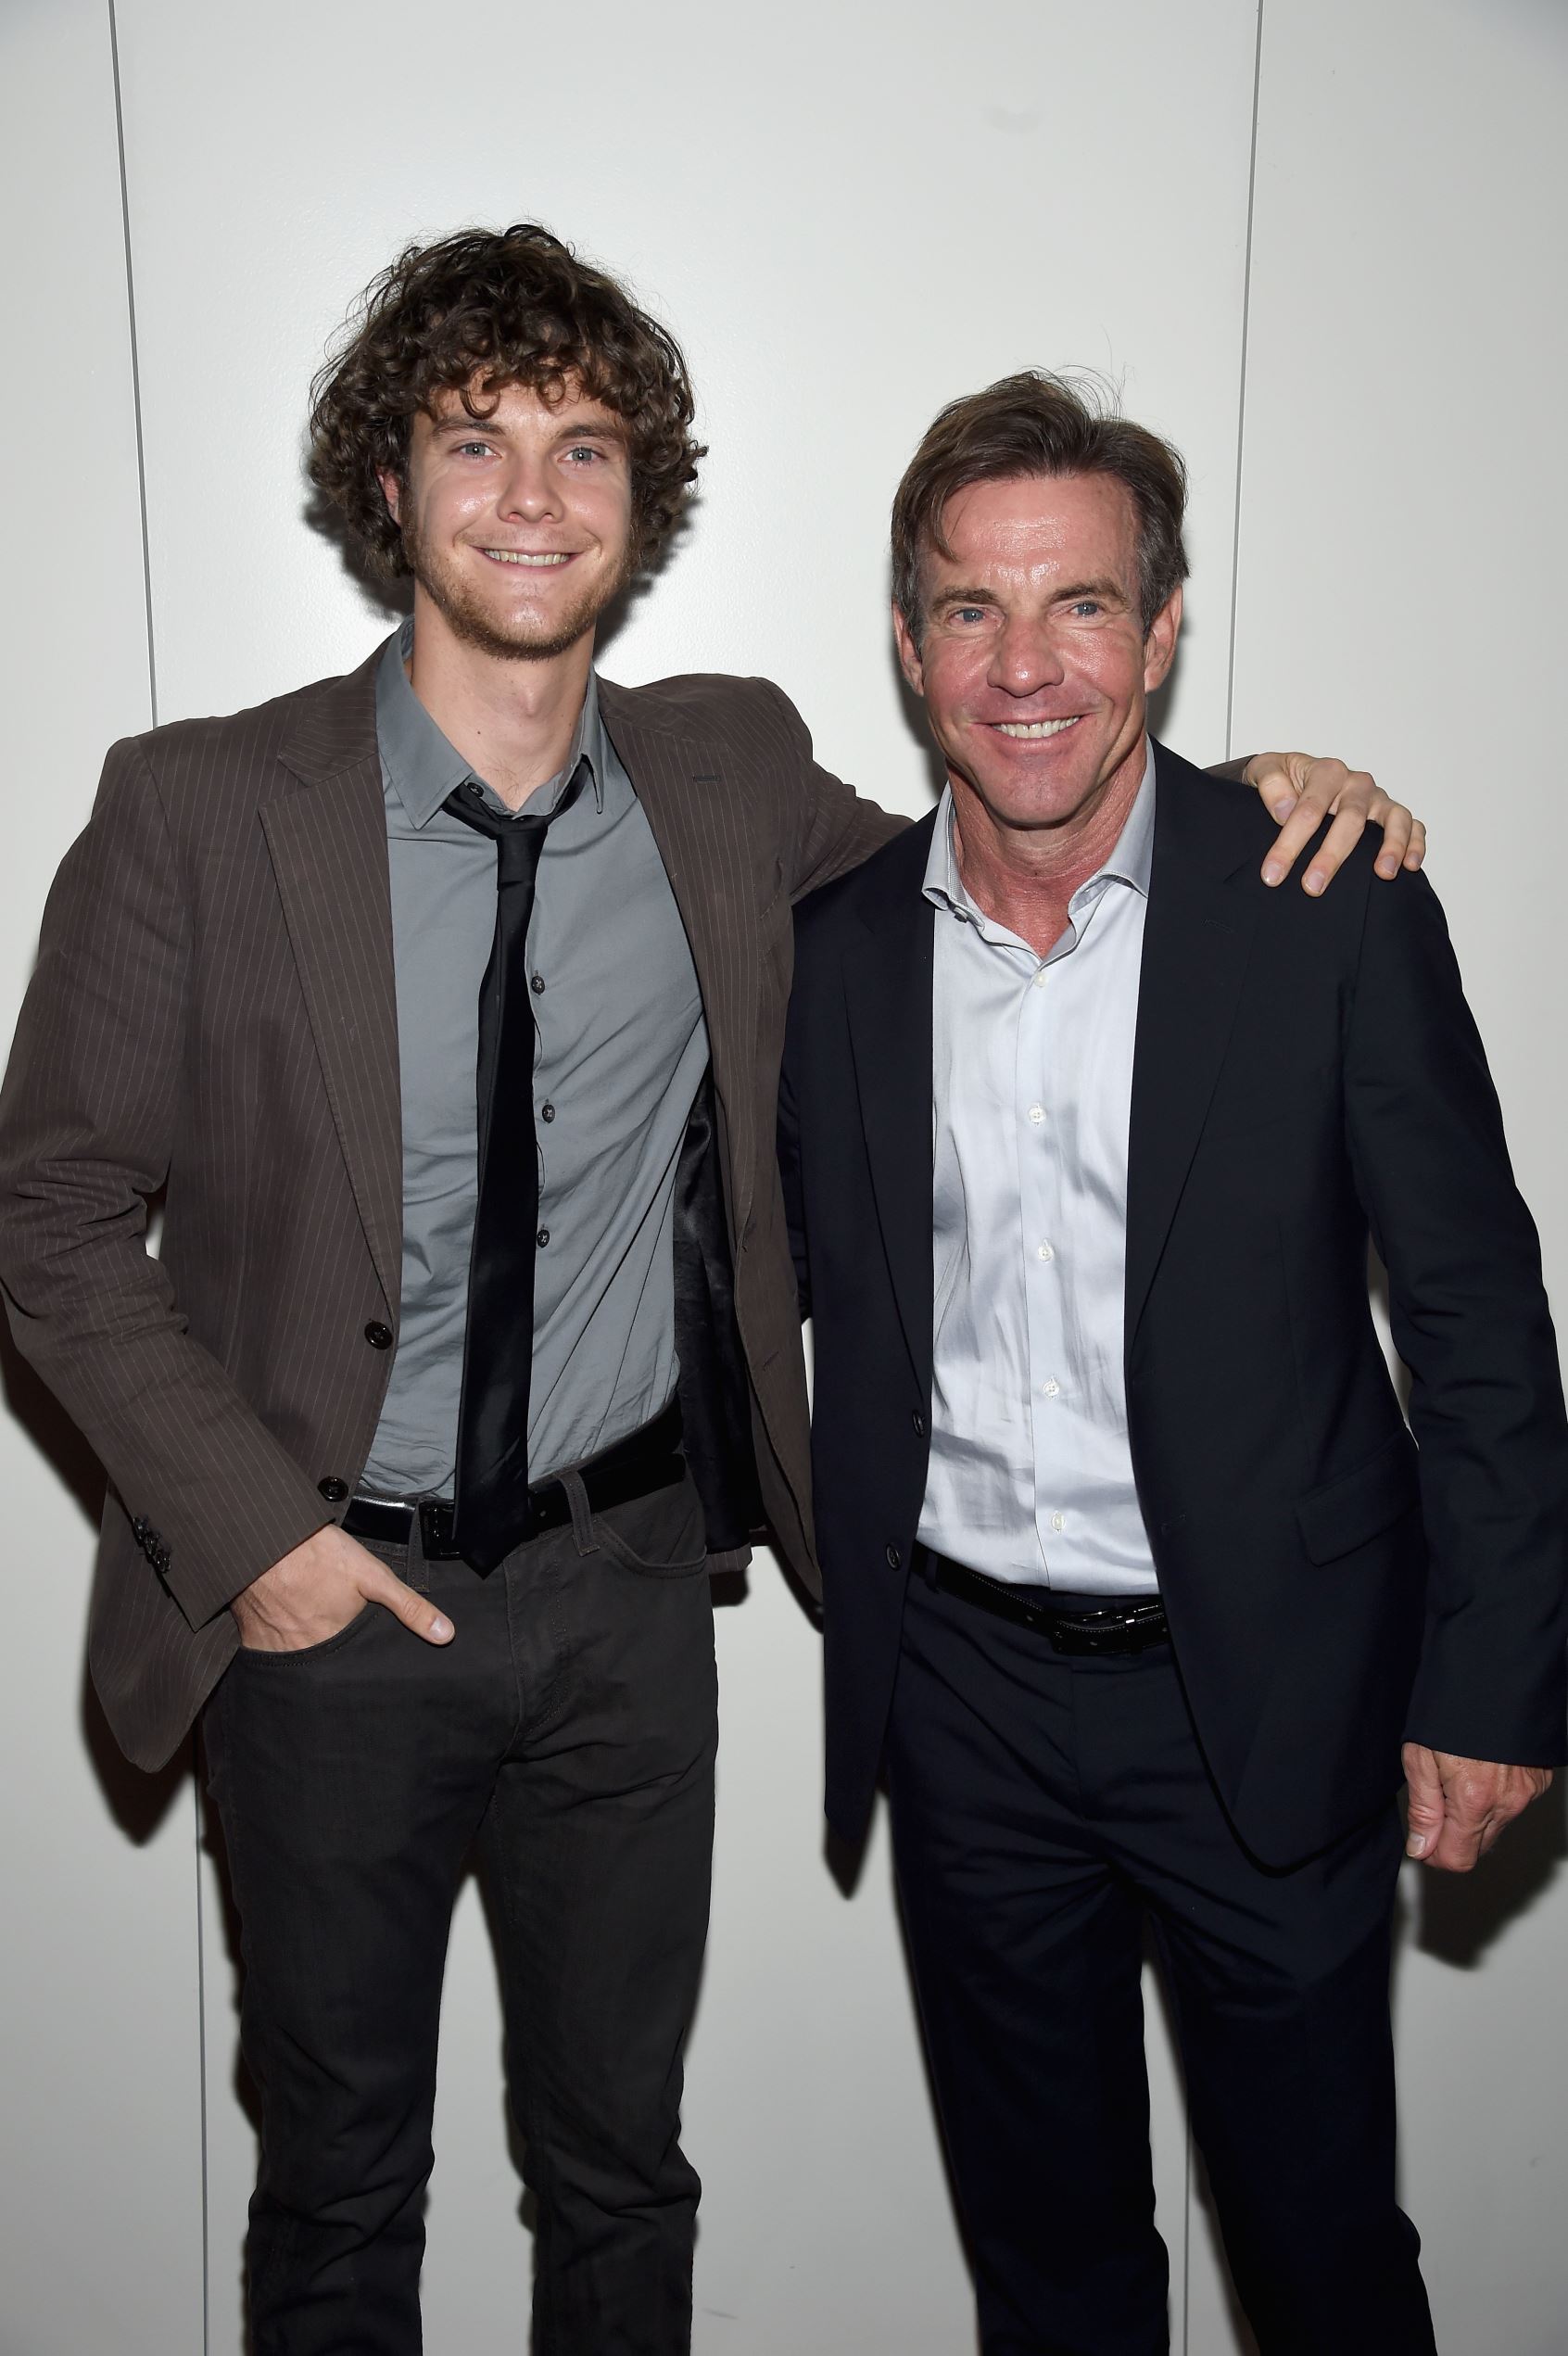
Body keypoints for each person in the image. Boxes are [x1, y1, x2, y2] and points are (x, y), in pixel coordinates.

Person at [0, 230, 1413, 2356]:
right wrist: (257, 1538)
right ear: (387, 484)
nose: (533, 493)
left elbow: (1011, 837)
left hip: (626, 1605)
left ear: (643, 496)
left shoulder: (733, 776)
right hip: (317, 1619)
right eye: (474, 438)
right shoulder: (198, 806)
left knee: (623, 2172)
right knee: (335, 2186)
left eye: (583, 441)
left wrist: (1253, 801)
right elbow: (46, 1210)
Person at [778, 368, 1568, 2356]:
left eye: (1084, 605)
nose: (1025, 662)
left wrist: (1497, 1675)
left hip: (1269, 1696)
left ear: (1169, 623)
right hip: (960, 1703)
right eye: (970, 606)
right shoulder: (840, 944)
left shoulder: (1324, 902)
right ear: (906, 640)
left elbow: (1474, 1309)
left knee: (1314, 2257)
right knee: (1051, 2272)